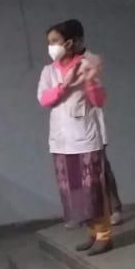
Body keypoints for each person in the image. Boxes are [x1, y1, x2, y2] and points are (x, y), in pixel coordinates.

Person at [37, 19, 113, 255]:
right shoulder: (49, 71)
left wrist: (88, 80)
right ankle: (91, 233)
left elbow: (98, 101)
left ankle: (104, 235)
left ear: (69, 43)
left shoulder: (86, 65)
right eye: (49, 42)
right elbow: (44, 99)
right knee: (76, 191)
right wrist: (65, 86)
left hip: (84, 138)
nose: (51, 46)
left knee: (93, 189)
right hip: (61, 141)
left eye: (55, 41)